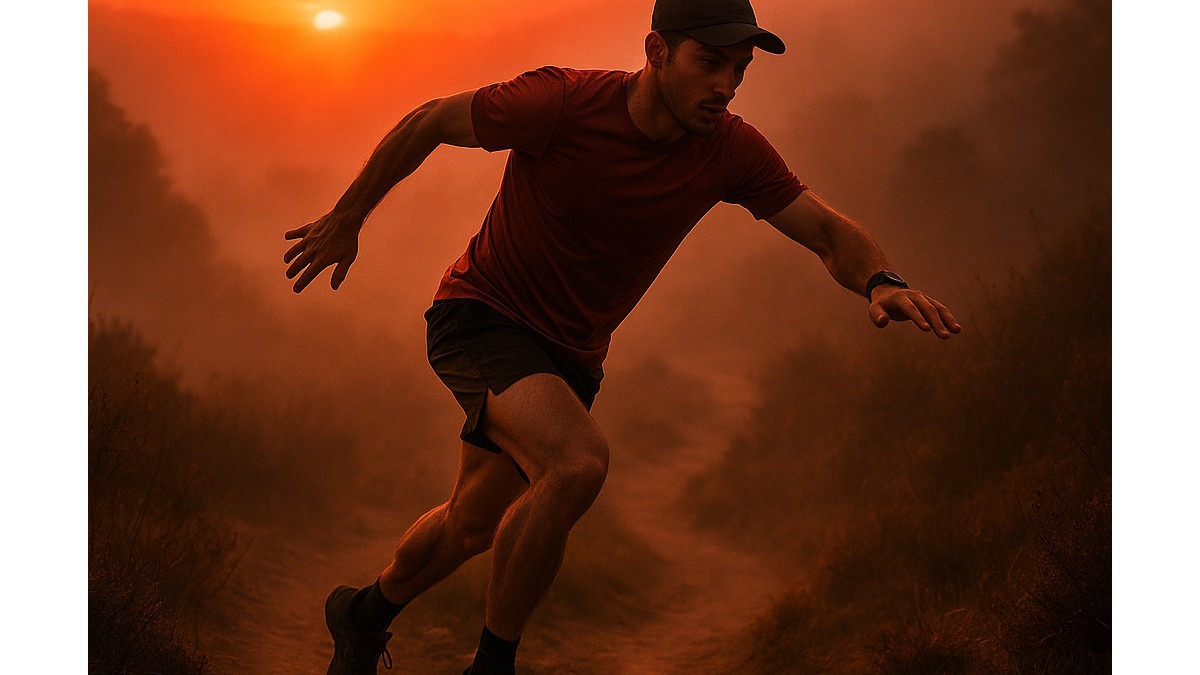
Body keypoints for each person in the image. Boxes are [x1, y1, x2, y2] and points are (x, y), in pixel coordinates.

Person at [284, 0, 961, 672]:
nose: (725, 85)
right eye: (710, 63)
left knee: (473, 522)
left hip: (571, 355)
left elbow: (825, 229)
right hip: (481, 313)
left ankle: (360, 615)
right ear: (657, 51)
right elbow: (428, 120)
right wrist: (348, 216)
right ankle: (492, 666)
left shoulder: (728, 148)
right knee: (576, 461)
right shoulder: (562, 102)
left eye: (739, 69)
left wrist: (881, 280)